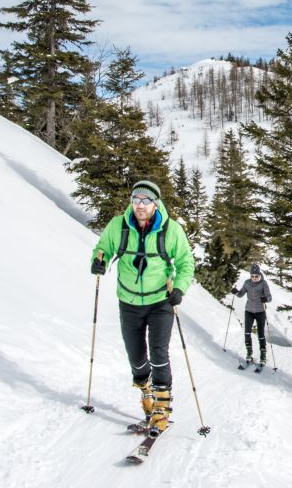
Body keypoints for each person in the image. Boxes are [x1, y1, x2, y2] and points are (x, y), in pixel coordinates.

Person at [90, 180, 194, 436]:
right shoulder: (118, 226)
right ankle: (146, 394)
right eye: (136, 199)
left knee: (159, 354)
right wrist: (97, 262)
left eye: (146, 200)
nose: (140, 205)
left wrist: (179, 288)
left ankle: (162, 408)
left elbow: (185, 262)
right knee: (136, 358)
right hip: (129, 302)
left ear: (156, 204)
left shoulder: (171, 230)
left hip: (161, 302)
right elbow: (102, 249)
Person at [232, 263, 272, 365]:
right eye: (252, 276)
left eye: (256, 276)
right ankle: (249, 353)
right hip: (249, 311)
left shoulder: (263, 283)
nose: (254, 278)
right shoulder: (247, 283)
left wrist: (265, 299)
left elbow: (269, 297)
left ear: (259, 275)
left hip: (260, 312)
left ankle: (263, 355)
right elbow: (240, 294)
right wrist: (235, 292)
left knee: (261, 334)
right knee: (247, 332)